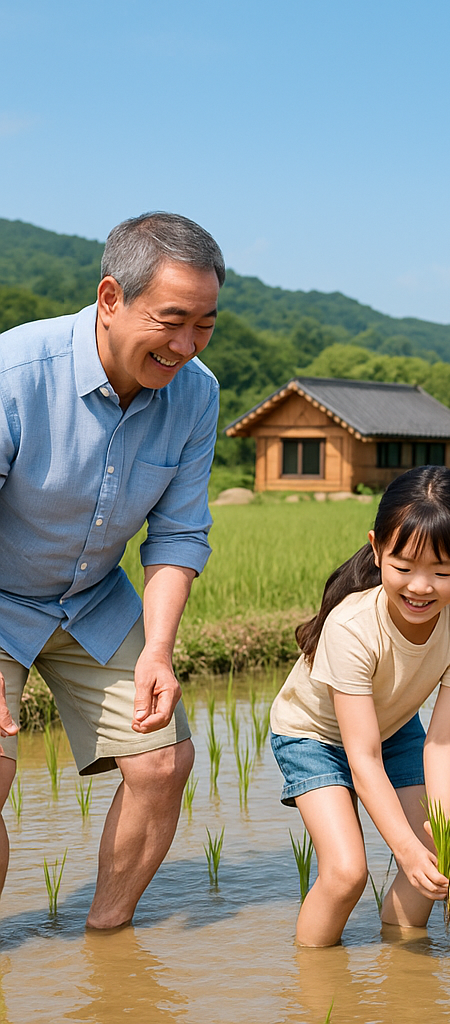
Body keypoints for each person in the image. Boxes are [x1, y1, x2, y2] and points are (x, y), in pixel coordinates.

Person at [0, 211, 223, 928]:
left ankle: (108, 942)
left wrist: (158, 651)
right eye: (171, 320)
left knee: (162, 763)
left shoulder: (197, 395)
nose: (186, 346)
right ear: (109, 298)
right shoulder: (14, 374)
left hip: (94, 599)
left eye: (206, 324)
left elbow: (179, 532)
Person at [270, 466, 450, 945]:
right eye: (403, 567)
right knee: (346, 871)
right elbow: (362, 757)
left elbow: (443, 741)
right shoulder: (351, 626)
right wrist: (403, 847)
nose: (421, 587)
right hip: (313, 735)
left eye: (442, 572)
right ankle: (315, 990)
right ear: (377, 550)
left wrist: (444, 831)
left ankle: (399, 965)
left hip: (394, 730)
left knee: (436, 848)